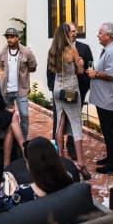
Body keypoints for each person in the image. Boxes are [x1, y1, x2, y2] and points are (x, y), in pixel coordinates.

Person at [48, 23, 90, 180]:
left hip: (58, 90)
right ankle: (81, 163)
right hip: (71, 91)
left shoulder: (53, 50)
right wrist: (80, 62)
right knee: (76, 125)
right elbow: (80, 71)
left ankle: (60, 157)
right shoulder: (72, 49)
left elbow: (52, 70)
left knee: (60, 122)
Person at [88, 22, 113, 174]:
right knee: (108, 131)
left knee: (111, 132)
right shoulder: (109, 50)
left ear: (108, 36)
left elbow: (112, 74)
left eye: (100, 33)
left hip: (109, 99)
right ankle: (111, 158)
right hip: (105, 99)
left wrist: (95, 73)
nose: (98, 35)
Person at [2, 137, 74, 203]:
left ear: (31, 165)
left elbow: (9, 206)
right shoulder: (69, 177)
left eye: (26, 162)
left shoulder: (23, 193)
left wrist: (13, 185)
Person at [0, 27, 37, 141]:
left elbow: (33, 66)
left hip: (21, 90)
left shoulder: (26, 51)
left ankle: (24, 140)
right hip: (6, 90)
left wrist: (24, 73)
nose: (9, 39)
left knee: (24, 115)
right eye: (7, 37)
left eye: (11, 37)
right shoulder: (3, 52)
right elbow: (1, 67)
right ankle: (7, 139)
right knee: (7, 117)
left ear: (17, 38)